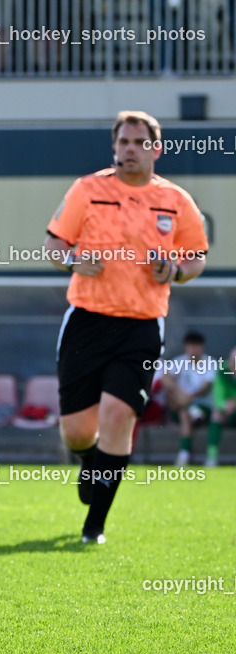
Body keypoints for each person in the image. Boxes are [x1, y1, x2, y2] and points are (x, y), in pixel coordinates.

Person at [45, 110, 208, 544]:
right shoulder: (87, 189)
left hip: (140, 327)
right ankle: (87, 461)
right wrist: (74, 259)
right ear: (114, 147)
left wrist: (174, 271)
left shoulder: (176, 200)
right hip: (86, 320)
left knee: (119, 417)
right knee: (78, 432)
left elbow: (196, 257)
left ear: (156, 149)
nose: (129, 150)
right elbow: (54, 244)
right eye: (122, 142)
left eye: (138, 142)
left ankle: (94, 525)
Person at [160, 331, 213, 467]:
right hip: (181, 406)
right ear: (185, 346)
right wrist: (181, 392)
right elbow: (166, 378)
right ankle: (184, 453)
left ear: (202, 347)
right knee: (184, 412)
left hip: (204, 407)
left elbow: (206, 386)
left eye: (196, 346)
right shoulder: (179, 361)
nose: (193, 349)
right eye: (191, 346)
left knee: (185, 413)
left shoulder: (210, 363)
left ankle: (184, 454)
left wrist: (190, 396)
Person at [204, 346, 236, 468]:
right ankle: (212, 457)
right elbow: (218, 398)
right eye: (233, 363)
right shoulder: (222, 371)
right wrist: (225, 405)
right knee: (216, 415)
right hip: (228, 412)